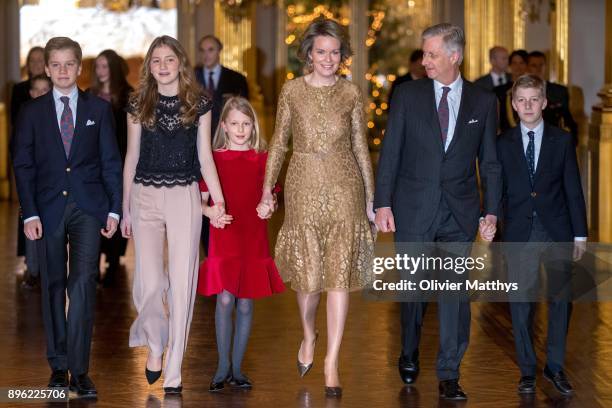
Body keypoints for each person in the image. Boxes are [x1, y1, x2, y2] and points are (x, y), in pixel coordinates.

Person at [374, 23, 501, 401]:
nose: (424, 61)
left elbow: (490, 162)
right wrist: (383, 202)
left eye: (431, 54)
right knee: (413, 291)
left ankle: (449, 371)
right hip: (413, 208)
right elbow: (391, 151)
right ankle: (409, 348)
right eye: (424, 53)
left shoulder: (483, 101)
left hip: (459, 213)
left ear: (453, 56)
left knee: (454, 294)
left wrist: (491, 212)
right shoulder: (407, 95)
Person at [260, 17, 376, 398]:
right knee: (309, 280)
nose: (328, 59)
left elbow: (361, 146)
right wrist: (267, 191)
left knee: (338, 275)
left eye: (335, 52)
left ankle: (332, 362)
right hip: (303, 183)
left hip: (345, 186)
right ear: (308, 53)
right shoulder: (292, 91)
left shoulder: (351, 93)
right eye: (321, 52)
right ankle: (309, 333)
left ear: (343, 56)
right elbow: (278, 142)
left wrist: (372, 199)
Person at [11, 36, 122, 398]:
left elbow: (110, 162)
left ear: (79, 67)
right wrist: (28, 213)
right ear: (46, 68)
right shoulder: (31, 112)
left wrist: (114, 208)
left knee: (83, 285)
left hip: (89, 208)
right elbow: (23, 165)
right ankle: (59, 368)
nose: (62, 71)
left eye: (68, 64)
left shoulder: (99, 110)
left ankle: (81, 369)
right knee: (53, 285)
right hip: (47, 209)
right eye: (55, 65)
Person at [121, 35, 225, 394]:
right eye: (155, 60)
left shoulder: (199, 103)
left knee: (182, 283)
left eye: (169, 59)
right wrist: (125, 208)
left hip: (185, 196)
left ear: (181, 62)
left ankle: (175, 371)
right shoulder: (138, 103)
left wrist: (219, 200)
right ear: (149, 67)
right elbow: (131, 158)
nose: (163, 65)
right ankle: (155, 343)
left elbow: (205, 156)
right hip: (144, 196)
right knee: (148, 283)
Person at [497, 74, 587, 396]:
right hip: (520, 232)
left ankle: (555, 366)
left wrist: (580, 234)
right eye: (521, 100)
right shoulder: (503, 142)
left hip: (557, 230)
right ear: (513, 104)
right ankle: (526, 369)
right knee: (521, 303)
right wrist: (492, 220)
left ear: (545, 103)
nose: (528, 106)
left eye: (534, 99)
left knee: (561, 300)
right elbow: (497, 188)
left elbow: (573, 189)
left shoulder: (561, 141)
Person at [199, 96, 285, 392]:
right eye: (234, 123)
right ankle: (222, 366)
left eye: (246, 124)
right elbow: (201, 201)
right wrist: (210, 212)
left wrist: (269, 206)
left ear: (253, 126)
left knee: (246, 302)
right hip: (225, 232)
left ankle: (238, 367)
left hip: (252, 234)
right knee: (224, 298)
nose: (240, 129)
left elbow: (269, 197)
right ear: (223, 125)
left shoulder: (262, 158)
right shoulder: (214, 158)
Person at [194, 34, 249, 256]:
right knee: (202, 197)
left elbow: (244, 112)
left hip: (227, 147)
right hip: (198, 148)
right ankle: (209, 252)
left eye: (211, 49)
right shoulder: (191, 78)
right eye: (203, 50)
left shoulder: (236, 79)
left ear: (219, 51)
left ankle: (229, 250)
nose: (207, 54)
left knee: (226, 196)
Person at [89, 49, 133, 286]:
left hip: (119, 161)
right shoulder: (88, 95)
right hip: (92, 165)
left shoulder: (127, 95)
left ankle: (114, 260)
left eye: (105, 66)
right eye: (97, 66)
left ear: (113, 68)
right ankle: (93, 261)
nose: (100, 71)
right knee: (94, 211)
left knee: (117, 206)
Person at [16, 74, 53, 289]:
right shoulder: (26, 115)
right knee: (30, 222)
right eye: (36, 90)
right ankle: (33, 269)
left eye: (44, 89)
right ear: (30, 93)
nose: (40, 94)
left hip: (52, 182)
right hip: (32, 181)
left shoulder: (59, 115)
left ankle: (47, 268)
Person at [527, 51, 578, 144]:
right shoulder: (520, 91)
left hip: (554, 142)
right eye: (534, 65)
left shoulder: (560, 91)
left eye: (541, 65)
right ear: (528, 68)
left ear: (545, 66)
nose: (538, 69)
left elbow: (567, 118)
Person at [495, 49, 529, 133]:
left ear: (526, 65)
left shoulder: (534, 90)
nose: (518, 67)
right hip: (505, 135)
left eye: (521, 63)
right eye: (514, 63)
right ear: (509, 65)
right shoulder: (499, 91)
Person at [10, 46, 45, 124]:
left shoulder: (55, 88)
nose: (35, 64)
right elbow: (15, 120)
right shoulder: (18, 89)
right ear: (28, 64)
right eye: (32, 60)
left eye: (39, 60)